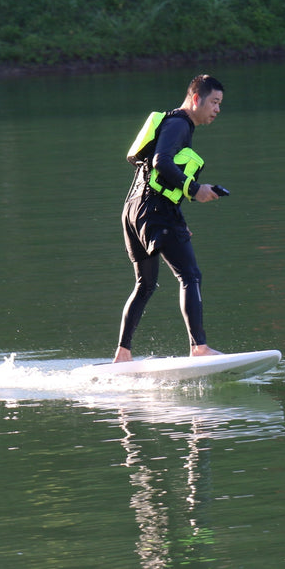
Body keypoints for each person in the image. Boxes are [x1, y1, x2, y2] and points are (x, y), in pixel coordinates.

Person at [114, 74, 226, 363]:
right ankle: (199, 347)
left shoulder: (171, 123)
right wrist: (195, 189)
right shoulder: (179, 124)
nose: (217, 109)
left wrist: (177, 217)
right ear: (196, 98)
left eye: (220, 104)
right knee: (190, 276)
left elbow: (155, 177)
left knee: (145, 284)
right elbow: (160, 162)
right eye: (214, 102)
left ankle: (123, 354)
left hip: (134, 210)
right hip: (154, 211)